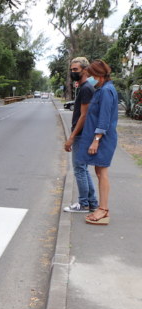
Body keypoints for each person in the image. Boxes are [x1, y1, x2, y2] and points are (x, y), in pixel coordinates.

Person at [78, 60, 118, 225]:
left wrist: (96, 141)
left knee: (102, 173)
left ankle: (103, 208)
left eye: (91, 75)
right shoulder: (101, 89)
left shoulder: (107, 91)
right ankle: (102, 207)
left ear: (100, 75)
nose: (89, 79)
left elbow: (104, 119)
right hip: (100, 138)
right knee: (99, 172)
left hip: (103, 139)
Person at [63, 57, 98, 213]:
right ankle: (92, 202)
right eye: (71, 69)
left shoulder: (85, 89)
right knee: (82, 169)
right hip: (84, 135)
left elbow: (84, 116)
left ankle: (83, 204)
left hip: (81, 135)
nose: (72, 72)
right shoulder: (86, 87)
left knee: (79, 169)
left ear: (85, 70)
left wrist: (71, 137)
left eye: (75, 69)